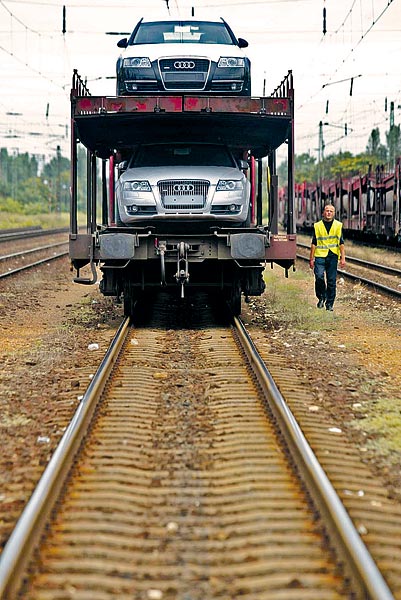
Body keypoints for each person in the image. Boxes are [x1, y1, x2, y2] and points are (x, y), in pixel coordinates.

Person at [309, 204, 346, 311]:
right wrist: (311, 259)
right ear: (323, 213)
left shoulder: (338, 225)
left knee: (331, 281)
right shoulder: (317, 225)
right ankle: (321, 297)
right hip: (320, 255)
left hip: (333, 256)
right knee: (319, 276)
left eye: (331, 211)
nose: (329, 213)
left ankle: (329, 304)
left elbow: (341, 242)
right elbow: (314, 243)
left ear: (334, 213)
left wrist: (342, 258)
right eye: (327, 211)